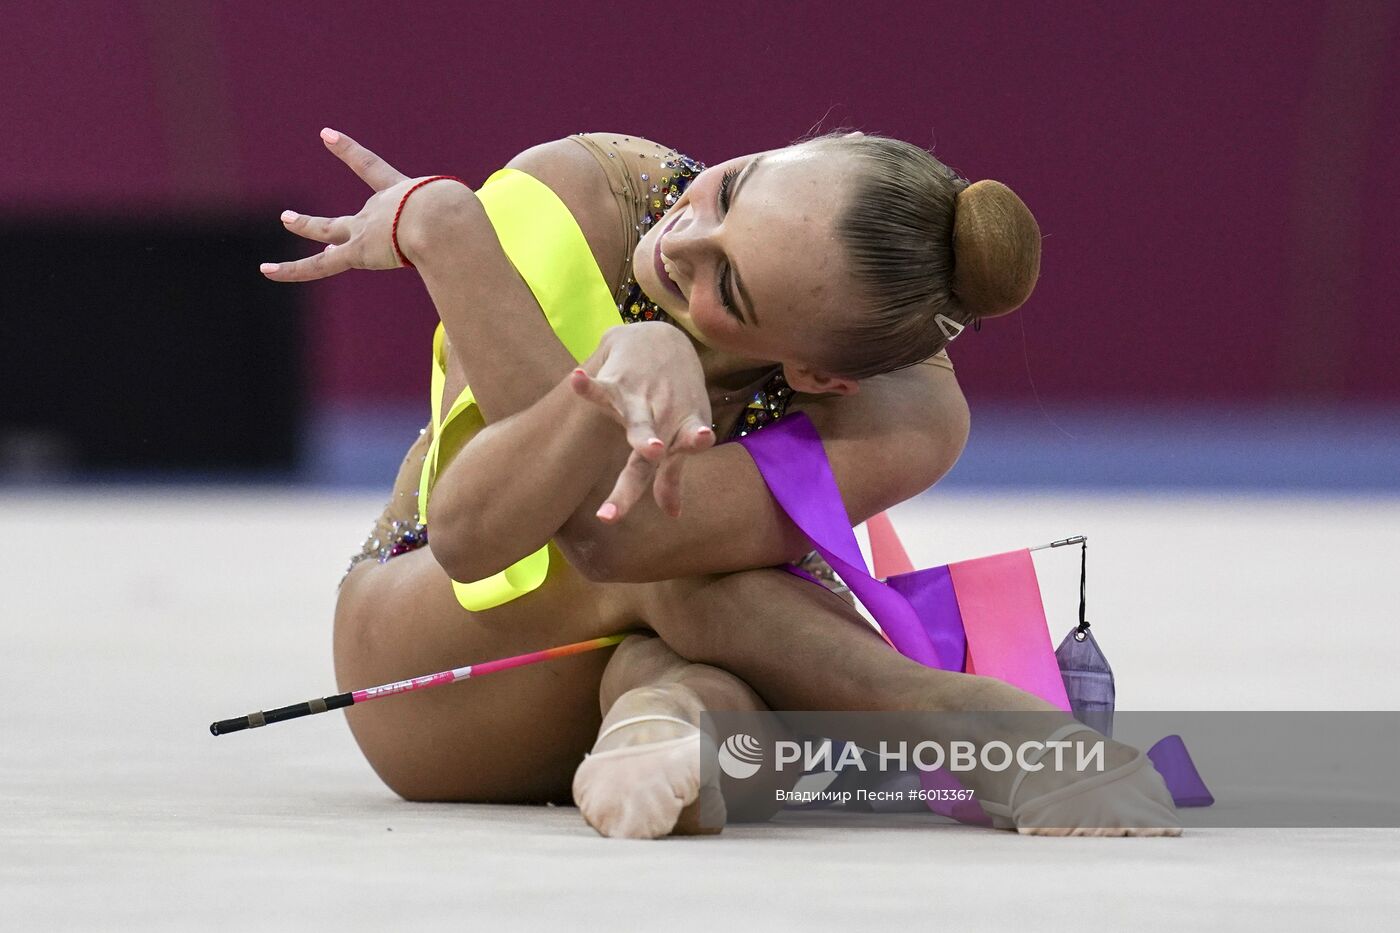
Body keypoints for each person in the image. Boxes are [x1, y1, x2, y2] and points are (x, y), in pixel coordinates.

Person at [261, 128, 1178, 838]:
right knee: (688, 562)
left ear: (823, 377)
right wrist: (453, 232)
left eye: (728, 288)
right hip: (428, 662)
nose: (680, 241)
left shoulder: (911, 413)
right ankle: (968, 722)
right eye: (730, 188)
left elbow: (645, 539)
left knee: (700, 626)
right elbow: (484, 532)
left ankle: (660, 718)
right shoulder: (583, 192)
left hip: (658, 654)